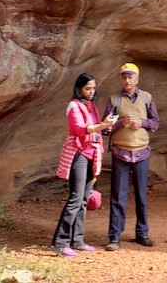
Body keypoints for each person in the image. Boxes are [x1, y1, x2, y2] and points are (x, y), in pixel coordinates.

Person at [51, 72, 117, 258]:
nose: (91, 91)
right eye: (88, 88)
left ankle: (77, 240)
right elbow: (80, 130)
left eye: (93, 88)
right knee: (75, 198)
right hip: (78, 155)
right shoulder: (74, 106)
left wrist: (106, 127)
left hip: (91, 154)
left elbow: (94, 130)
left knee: (84, 199)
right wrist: (102, 126)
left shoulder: (92, 106)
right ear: (79, 88)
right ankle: (60, 243)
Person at [103, 62, 160, 251]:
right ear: (121, 79)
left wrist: (142, 123)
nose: (127, 80)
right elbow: (105, 128)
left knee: (141, 194)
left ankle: (142, 233)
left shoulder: (146, 98)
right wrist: (121, 123)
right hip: (121, 152)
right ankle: (114, 237)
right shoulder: (114, 100)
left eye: (131, 77)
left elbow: (155, 123)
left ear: (137, 78)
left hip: (142, 152)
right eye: (124, 77)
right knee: (118, 196)